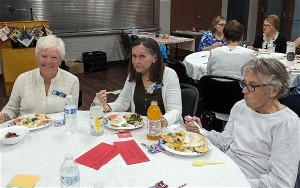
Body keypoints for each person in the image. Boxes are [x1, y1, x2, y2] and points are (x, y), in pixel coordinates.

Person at [185, 58, 300, 187]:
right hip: (225, 169)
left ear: (274, 90)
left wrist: (234, 183)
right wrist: (200, 131)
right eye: (244, 83)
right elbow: (225, 142)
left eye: (252, 86)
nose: (244, 90)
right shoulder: (241, 106)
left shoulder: (287, 124)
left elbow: (280, 183)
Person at [97, 37, 182, 127]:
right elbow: (122, 102)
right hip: (139, 129)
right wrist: (107, 107)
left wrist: (164, 120)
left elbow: (176, 110)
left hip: (165, 129)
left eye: (142, 56)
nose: (136, 61)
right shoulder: (133, 75)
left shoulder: (169, 75)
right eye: (134, 56)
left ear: (154, 58)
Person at [0, 35, 79, 123]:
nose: (48, 61)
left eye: (54, 57)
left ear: (61, 60)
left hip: (58, 130)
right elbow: (11, 109)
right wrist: (4, 116)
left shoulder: (72, 81)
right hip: (27, 130)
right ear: (37, 57)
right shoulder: (22, 79)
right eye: (44, 56)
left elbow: (72, 112)